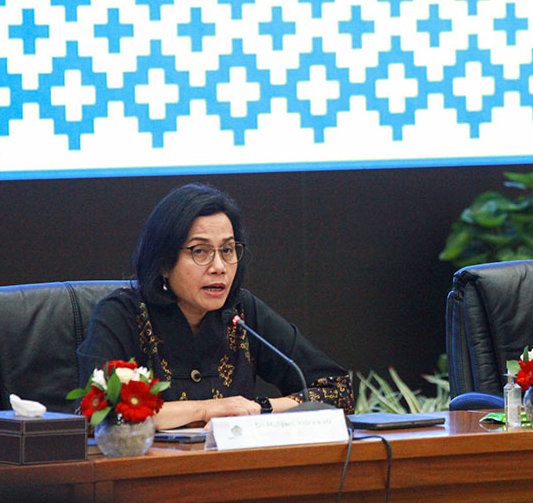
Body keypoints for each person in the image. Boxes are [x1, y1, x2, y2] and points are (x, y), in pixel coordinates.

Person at [78, 183, 354, 429]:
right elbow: (96, 412)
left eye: (227, 250)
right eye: (200, 251)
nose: (219, 267)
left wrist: (259, 408)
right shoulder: (123, 315)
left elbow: (337, 391)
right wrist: (208, 409)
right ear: (163, 261)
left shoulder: (241, 312)